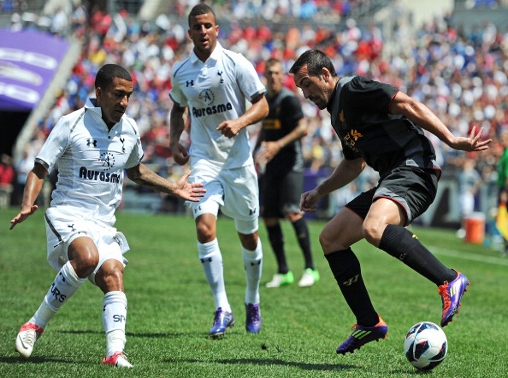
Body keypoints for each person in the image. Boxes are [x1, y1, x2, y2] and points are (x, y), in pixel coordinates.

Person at [289, 49, 491, 355]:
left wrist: (450, 139)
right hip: (392, 177)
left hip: (415, 169)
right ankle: (368, 322)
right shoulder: (336, 112)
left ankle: (449, 280)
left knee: (374, 226)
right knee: (331, 238)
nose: (305, 93)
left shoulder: (353, 89)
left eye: (307, 83)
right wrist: (320, 191)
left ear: (326, 75)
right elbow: (353, 163)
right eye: (301, 88)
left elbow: (406, 103)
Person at [10, 64, 205, 368]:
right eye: (118, 95)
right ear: (99, 93)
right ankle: (34, 325)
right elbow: (41, 166)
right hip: (68, 212)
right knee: (86, 258)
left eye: (128, 95)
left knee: (114, 274)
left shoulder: (129, 129)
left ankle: (114, 353)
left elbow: (136, 171)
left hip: (104, 223)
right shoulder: (71, 123)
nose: (125, 102)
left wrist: (174, 188)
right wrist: (26, 204)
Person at [168, 3, 269, 338]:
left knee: (248, 236)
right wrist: (173, 140)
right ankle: (222, 307)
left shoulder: (236, 62)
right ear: (190, 32)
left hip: (238, 164)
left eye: (208, 25)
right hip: (204, 162)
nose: (203, 32)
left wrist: (240, 122)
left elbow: (262, 104)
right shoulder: (182, 72)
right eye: (197, 27)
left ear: (216, 29)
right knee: (204, 228)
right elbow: (177, 108)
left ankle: (252, 300)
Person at [254, 58, 319, 288]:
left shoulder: (289, 99)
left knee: (293, 212)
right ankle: (283, 271)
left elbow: (303, 128)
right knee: (269, 216)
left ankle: (310, 268)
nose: (273, 77)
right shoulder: (266, 100)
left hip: (291, 164)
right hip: (271, 166)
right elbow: (264, 129)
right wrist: (254, 153)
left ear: (282, 76)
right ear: (265, 75)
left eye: (276, 73)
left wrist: (278, 145)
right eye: (269, 73)